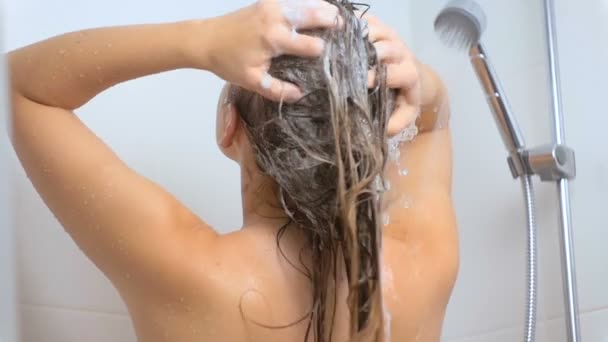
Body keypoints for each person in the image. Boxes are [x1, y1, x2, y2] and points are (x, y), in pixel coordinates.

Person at [7, 0, 458, 341]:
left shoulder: (188, 270)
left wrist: (201, 40)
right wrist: (413, 77)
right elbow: (433, 123)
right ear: (371, 136)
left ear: (230, 127)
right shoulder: (420, 265)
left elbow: (18, 87)